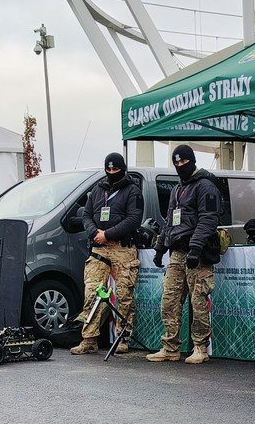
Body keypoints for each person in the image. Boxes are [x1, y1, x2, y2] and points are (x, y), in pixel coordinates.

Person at [146, 144, 220, 365]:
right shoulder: (177, 189)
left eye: (184, 162)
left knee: (198, 301)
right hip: (177, 253)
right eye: (176, 162)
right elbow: (169, 222)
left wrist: (195, 248)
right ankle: (170, 347)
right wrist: (160, 248)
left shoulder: (206, 186)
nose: (180, 165)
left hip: (198, 253)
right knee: (169, 300)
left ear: (192, 161)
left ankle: (200, 348)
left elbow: (208, 219)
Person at [70, 152, 143, 356]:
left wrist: (108, 234)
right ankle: (89, 339)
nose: (111, 172)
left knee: (124, 294)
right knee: (92, 292)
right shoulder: (97, 189)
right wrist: (94, 232)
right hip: (98, 248)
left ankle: (123, 338)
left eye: (115, 169)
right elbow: (86, 215)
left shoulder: (132, 191)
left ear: (123, 169)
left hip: (122, 248)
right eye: (108, 169)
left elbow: (134, 219)